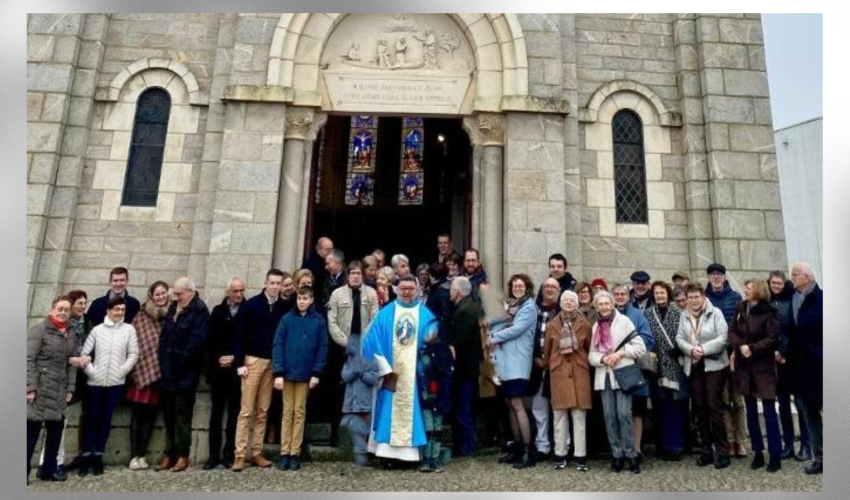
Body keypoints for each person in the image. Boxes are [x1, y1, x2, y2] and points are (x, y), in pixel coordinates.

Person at [362, 275, 440, 465]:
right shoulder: (386, 313)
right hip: (392, 374)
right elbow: (370, 341)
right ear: (397, 289)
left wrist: (428, 364)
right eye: (403, 288)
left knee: (416, 412)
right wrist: (384, 369)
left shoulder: (426, 315)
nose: (406, 292)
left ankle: (412, 456)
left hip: (416, 376)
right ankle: (388, 456)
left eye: (410, 289)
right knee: (389, 410)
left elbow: (436, 342)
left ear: (416, 290)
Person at [232, 270, 290, 471]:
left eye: (278, 283)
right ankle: (239, 454)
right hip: (253, 360)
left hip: (272, 362)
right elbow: (239, 334)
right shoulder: (252, 305)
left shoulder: (283, 308)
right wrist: (240, 363)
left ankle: (256, 452)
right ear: (265, 283)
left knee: (263, 410)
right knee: (246, 410)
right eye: (272, 283)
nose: (275, 286)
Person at [77, 296, 139, 476]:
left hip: (115, 383)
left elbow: (133, 354)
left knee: (105, 419)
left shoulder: (129, 330)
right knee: (91, 419)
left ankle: (97, 458)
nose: (119, 313)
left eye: (122, 310)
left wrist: (121, 371)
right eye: (116, 309)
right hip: (95, 383)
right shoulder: (97, 330)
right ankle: (86, 457)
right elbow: (84, 353)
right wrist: (92, 371)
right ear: (108, 311)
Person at [157, 277, 210, 473]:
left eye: (179, 294)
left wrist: (179, 363)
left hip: (186, 372)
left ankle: (182, 455)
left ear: (190, 291)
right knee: (168, 415)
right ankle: (169, 453)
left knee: (182, 417)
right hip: (168, 371)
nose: (176, 298)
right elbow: (165, 336)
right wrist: (164, 363)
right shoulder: (174, 308)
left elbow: (196, 343)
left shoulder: (199, 310)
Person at [588, 290, 645, 474]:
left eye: (607, 303)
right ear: (596, 307)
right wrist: (602, 359)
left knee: (624, 415)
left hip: (622, 375)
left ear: (612, 304)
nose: (604, 307)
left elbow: (640, 347)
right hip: (604, 376)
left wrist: (620, 354)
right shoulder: (595, 326)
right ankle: (616, 454)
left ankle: (631, 454)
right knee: (609, 417)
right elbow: (591, 355)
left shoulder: (624, 322)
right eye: (600, 304)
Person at [728, 278, 781, 472]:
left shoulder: (769, 311)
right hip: (744, 367)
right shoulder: (740, 308)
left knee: (768, 412)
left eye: (749, 288)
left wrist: (752, 348)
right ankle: (757, 452)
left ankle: (775, 454)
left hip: (762, 367)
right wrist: (739, 346)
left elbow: (773, 338)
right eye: (745, 287)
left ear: (758, 290)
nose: (745, 290)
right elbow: (731, 331)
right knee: (750, 411)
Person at [273, 287, 328, 472]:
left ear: (311, 300)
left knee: (299, 412)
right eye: (299, 298)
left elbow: (322, 348)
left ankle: (295, 452)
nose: (301, 301)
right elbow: (278, 344)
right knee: (287, 412)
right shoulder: (287, 319)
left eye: (305, 298)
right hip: (287, 373)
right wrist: (278, 372)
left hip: (305, 374)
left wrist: (316, 373)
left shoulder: (318, 321)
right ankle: (284, 451)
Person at [677, 283, 731, 470]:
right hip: (694, 365)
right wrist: (691, 350)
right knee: (700, 408)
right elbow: (679, 339)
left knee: (714, 406)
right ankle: (706, 450)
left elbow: (724, 337)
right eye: (690, 297)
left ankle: (722, 451)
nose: (693, 300)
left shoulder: (715, 313)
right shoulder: (684, 315)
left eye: (696, 296)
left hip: (714, 365)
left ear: (703, 297)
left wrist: (703, 348)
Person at [38, 290, 90, 479]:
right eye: (79, 303)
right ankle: (48, 463)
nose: (82, 307)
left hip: (74, 381)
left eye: (85, 303)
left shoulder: (85, 324)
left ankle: (52, 464)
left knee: (60, 424)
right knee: (50, 425)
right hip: (53, 381)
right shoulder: (59, 328)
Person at [27, 296, 77, 485]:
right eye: (60, 309)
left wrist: (70, 388)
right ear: (52, 310)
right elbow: (27, 359)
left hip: (60, 390)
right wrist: (29, 387)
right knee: (30, 435)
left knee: (55, 435)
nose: (63, 312)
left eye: (66, 309)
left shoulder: (70, 332)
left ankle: (48, 470)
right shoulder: (39, 330)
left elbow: (72, 362)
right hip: (40, 390)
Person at [490, 274, 538, 469]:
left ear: (527, 288)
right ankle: (516, 448)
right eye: (514, 285)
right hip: (505, 362)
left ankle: (528, 450)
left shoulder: (529, 307)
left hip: (518, 361)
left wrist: (492, 337)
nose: (517, 288)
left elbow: (517, 329)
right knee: (510, 403)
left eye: (521, 285)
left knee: (518, 404)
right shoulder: (510, 306)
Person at [544, 290, 592, 472]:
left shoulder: (585, 325)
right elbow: (547, 351)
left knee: (579, 416)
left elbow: (589, 347)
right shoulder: (551, 326)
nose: (569, 303)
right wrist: (555, 364)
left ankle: (580, 455)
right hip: (559, 374)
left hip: (580, 373)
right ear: (560, 303)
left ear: (577, 303)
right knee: (559, 416)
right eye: (565, 300)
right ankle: (560, 454)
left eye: (572, 300)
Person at [704, 262, 747, 459]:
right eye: (712, 274)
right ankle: (729, 441)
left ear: (724, 276)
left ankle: (741, 441)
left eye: (719, 274)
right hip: (716, 356)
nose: (716, 277)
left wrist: (736, 347)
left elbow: (741, 326)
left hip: (735, 354)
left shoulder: (735, 297)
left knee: (738, 401)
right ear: (708, 277)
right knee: (722, 400)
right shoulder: (705, 299)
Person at [127, 282, 170, 471]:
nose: (160, 297)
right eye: (157, 294)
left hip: (161, 375)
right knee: (138, 415)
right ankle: (133, 455)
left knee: (152, 416)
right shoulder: (142, 315)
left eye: (163, 293)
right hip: (143, 372)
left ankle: (142, 454)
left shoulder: (172, 314)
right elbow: (136, 341)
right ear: (152, 296)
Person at [769, 270, 811, 461]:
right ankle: (788, 444)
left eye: (779, 283)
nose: (776, 286)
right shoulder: (768, 302)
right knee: (783, 405)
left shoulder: (793, 300)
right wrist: (775, 352)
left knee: (801, 404)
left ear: (784, 283)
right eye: (773, 283)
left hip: (792, 359)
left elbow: (795, 330)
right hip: (775, 360)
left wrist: (785, 352)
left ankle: (806, 444)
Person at [204, 278, 246, 470]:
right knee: (216, 413)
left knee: (234, 414)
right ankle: (213, 455)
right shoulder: (218, 312)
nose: (238, 294)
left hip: (237, 371)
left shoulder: (247, 311)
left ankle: (229, 454)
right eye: (235, 291)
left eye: (241, 290)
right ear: (228, 292)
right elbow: (210, 340)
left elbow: (248, 340)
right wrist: (217, 358)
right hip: (218, 370)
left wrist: (235, 358)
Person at [644, 281, 687, 461]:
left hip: (675, 364)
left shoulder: (678, 313)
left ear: (668, 294)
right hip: (657, 366)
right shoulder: (648, 314)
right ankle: (662, 445)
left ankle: (676, 445)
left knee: (675, 406)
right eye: (656, 293)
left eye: (662, 293)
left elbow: (685, 333)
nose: (659, 296)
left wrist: (680, 347)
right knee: (660, 407)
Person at [786, 262, 823, 474]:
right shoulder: (795, 299)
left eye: (795, 275)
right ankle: (819, 458)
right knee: (810, 415)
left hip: (821, 366)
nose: (792, 278)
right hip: (801, 370)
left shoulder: (823, 300)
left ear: (808, 277)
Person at [612, 284, 654, 463]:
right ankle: (620, 449)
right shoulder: (606, 313)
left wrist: (625, 349)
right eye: (616, 294)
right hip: (612, 369)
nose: (620, 297)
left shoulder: (638, 315)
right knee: (617, 412)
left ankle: (636, 449)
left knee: (636, 411)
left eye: (623, 294)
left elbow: (648, 339)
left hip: (634, 369)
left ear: (628, 297)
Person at [448, 276, 483, 457]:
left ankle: (467, 448)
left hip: (464, 369)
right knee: (464, 409)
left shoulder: (464, 311)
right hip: (468, 368)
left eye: (452, 288)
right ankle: (464, 446)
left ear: (458, 291)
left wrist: (449, 349)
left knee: (463, 410)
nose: (450, 292)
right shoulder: (469, 307)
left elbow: (460, 342)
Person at [417, 303, 454, 473]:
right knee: (428, 425)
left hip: (440, 393)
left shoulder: (444, 351)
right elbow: (422, 372)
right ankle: (426, 457)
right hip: (426, 393)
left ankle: (434, 457)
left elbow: (447, 373)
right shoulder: (423, 350)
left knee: (437, 426)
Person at [340, 316, 381, 467]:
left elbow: (375, 377)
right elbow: (344, 375)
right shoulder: (350, 359)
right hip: (352, 400)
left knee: (366, 426)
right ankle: (358, 453)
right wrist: (354, 372)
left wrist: (363, 374)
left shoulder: (373, 359)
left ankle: (366, 453)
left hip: (366, 399)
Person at [530, 277, 560, 462]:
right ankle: (542, 446)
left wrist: (551, 360)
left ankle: (560, 446)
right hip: (537, 365)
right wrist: (535, 357)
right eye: (546, 286)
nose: (549, 289)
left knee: (558, 408)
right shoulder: (534, 309)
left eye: (553, 286)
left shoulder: (563, 309)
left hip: (556, 366)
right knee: (539, 407)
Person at [328, 261, 380, 348]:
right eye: (352, 273)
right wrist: (346, 343)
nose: (356, 276)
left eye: (358, 273)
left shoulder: (371, 293)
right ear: (348, 276)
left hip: (365, 344)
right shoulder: (337, 294)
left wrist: (364, 341)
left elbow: (375, 320)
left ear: (362, 276)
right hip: (341, 346)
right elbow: (332, 321)